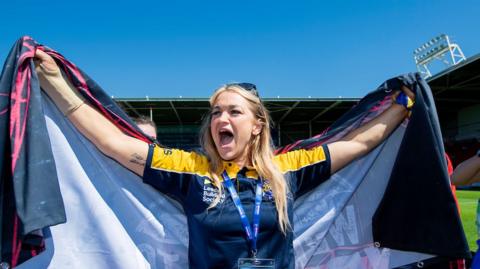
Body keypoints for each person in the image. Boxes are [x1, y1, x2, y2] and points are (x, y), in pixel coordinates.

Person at [34, 49, 414, 269]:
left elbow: (361, 144)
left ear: (257, 126)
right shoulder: (191, 171)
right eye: (215, 112)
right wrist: (54, 81)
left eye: (233, 112)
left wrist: (406, 105)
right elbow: (112, 142)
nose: (221, 119)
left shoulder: (288, 170)